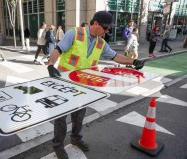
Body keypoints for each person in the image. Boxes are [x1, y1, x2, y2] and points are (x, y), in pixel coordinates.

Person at [47, 11, 145, 159]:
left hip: (84, 85)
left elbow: (115, 56)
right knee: (61, 118)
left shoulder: (101, 43)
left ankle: (76, 139)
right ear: (96, 24)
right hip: (65, 84)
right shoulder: (75, 33)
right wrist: (50, 65)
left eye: (108, 29)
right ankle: (58, 146)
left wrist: (133, 61)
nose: (107, 31)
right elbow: (57, 50)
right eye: (105, 28)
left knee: (79, 116)